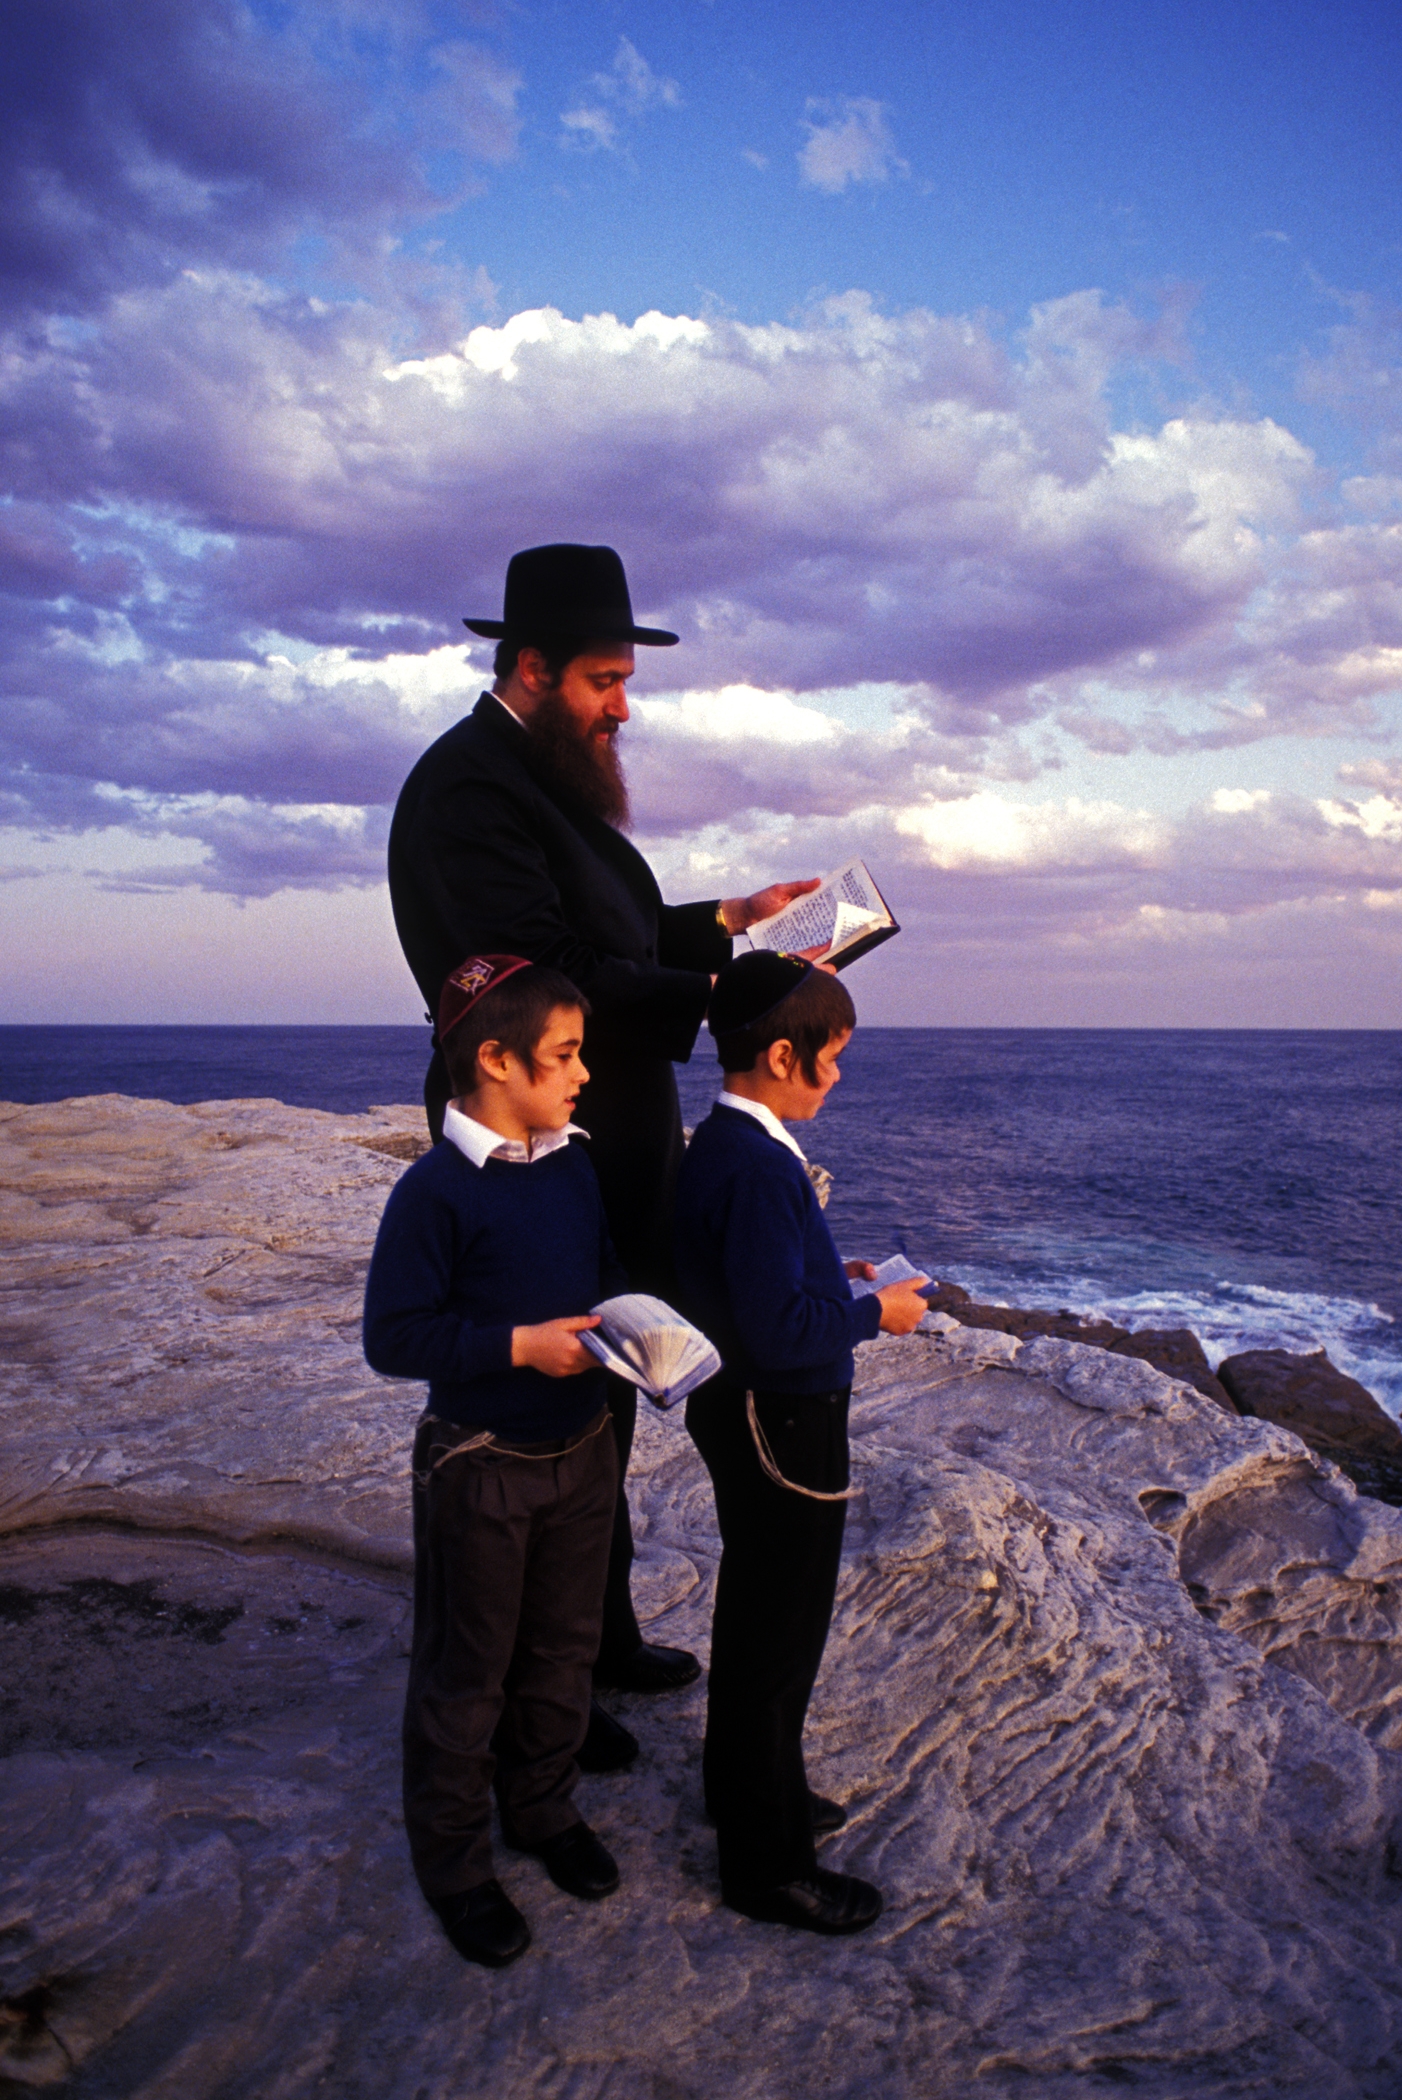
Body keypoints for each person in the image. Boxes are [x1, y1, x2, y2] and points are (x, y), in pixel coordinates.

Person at [387, 542, 818, 1762]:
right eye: (603, 680)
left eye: (625, 679)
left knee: (607, 1392)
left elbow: (604, 927)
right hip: (535, 1152)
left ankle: (595, 1635)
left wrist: (726, 920)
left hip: (601, 1135)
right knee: (543, 1408)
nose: (622, 705)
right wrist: (740, 987)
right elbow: (547, 974)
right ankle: (546, 1689)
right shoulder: (471, 792)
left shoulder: (536, 776)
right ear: (530, 667)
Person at [363, 952, 627, 1969]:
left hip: (584, 1447)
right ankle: (456, 1864)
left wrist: (633, 1329)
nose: (581, 1073)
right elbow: (394, 1339)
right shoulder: (433, 1194)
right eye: (563, 1055)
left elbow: (598, 1272)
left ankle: (543, 1811)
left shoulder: (572, 1161)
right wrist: (517, 1345)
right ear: (493, 1059)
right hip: (481, 1462)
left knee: (562, 1649)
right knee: (464, 1672)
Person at [673, 952, 930, 1934]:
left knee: (761, 1622)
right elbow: (777, 1331)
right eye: (833, 1057)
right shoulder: (754, 1165)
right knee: (776, 1638)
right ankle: (764, 1863)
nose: (839, 1075)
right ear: (783, 1055)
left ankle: (754, 1791)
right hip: (778, 1422)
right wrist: (877, 1317)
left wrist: (840, 1275)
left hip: (760, 1415)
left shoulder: (736, 1150)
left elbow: (764, 1286)